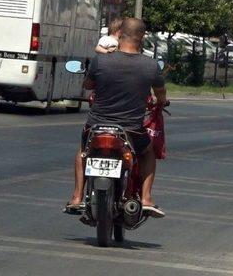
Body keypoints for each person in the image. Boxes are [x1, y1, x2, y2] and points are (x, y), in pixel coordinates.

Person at [65, 18, 168, 218]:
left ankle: (77, 197)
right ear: (142, 38)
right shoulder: (151, 66)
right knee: (147, 153)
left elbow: (88, 85)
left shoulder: (100, 60)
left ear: (119, 34)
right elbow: (161, 94)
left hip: (97, 126)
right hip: (130, 129)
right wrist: (161, 102)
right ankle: (146, 199)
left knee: (83, 152)